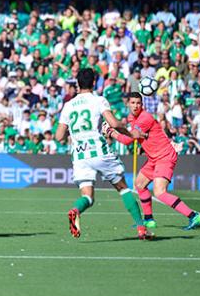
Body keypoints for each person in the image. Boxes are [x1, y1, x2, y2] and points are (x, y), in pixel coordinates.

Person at [55, 68, 153, 240]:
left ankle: (76, 210)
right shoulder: (98, 100)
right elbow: (114, 123)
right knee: (123, 188)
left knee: (88, 197)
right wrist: (132, 134)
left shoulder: (68, 105)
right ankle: (141, 228)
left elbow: (59, 136)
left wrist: (76, 132)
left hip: (79, 156)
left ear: (77, 84)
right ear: (94, 83)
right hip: (98, 151)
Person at [107, 92, 200, 230]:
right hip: (153, 158)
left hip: (164, 156)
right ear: (128, 104)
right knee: (139, 184)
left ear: (142, 105)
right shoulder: (130, 117)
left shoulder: (145, 117)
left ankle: (194, 216)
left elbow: (128, 140)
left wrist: (111, 133)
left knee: (160, 192)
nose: (135, 106)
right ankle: (149, 220)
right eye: (133, 103)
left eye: (138, 103)